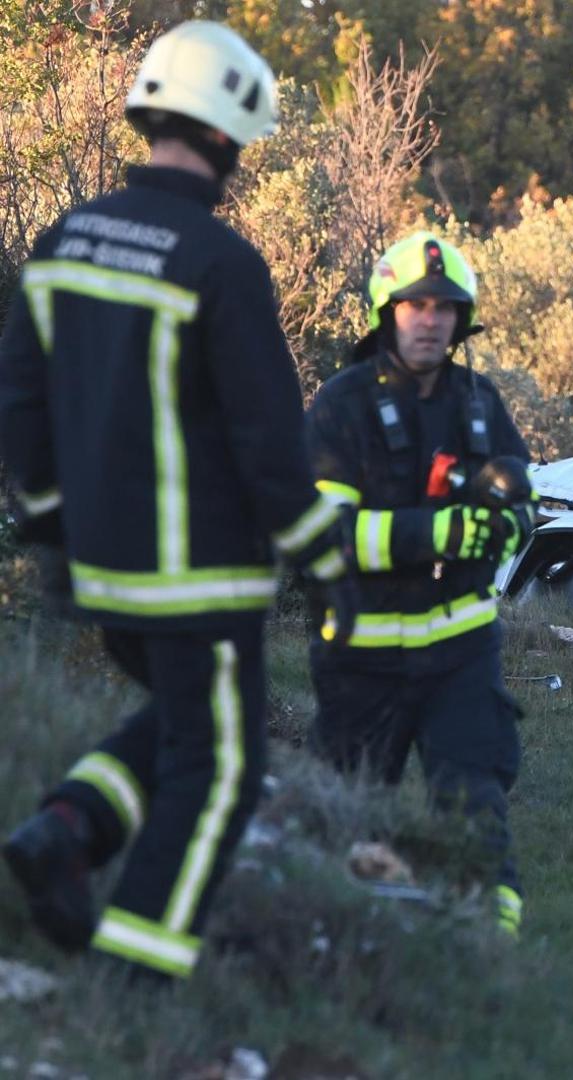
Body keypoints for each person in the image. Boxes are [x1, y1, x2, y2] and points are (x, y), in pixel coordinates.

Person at [0, 22, 357, 982]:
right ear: (233, 138)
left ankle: (68, 826)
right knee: (222, 772)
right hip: (200, 580)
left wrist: (46, 525)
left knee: (185, 724)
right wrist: (328, 566)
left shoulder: (64, 240)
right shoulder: (220, 263)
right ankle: (139, 971)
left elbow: (20, 406)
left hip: (99, 572)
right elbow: (272, 451)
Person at [305, 231, 536, 939]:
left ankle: (491, 948)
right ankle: (335, 947)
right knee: (346, 817)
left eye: (444, 307)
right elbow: (320, 537)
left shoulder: (480, 403)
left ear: (461, 320)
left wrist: (505, 524)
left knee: (475, 806)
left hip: (460, 653)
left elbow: (525, 509)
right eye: (415, 305)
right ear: (387, 313)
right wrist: (431, 534)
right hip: (360, 659)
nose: (431, 319)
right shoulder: (340, 406)